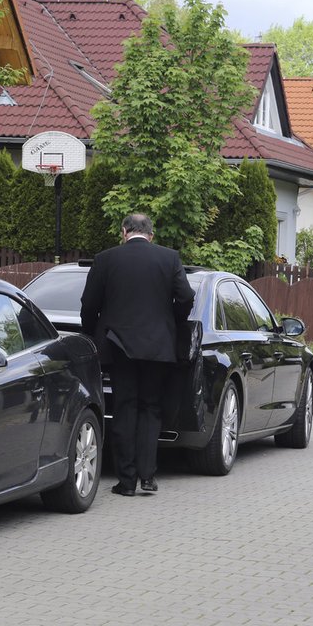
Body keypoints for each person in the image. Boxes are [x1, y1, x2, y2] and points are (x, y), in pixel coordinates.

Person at [81, 213, 195, 497]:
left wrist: (94, 333)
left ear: (124, 232)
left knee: (124, 407)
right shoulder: (169, 259)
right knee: (150, 408)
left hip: (118, 346)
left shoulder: (106, 259)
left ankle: (126, 481)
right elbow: (186, 297)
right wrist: (173, 322)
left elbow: (89, 304)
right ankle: (148, 477)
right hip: (158, 347)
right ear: (151, 235)